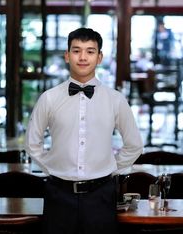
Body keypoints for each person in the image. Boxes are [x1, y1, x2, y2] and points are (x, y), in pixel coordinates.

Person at [25, 27, 143, 234]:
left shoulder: (115, 99)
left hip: (102, 195)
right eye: (76, 50)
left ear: (99, 57)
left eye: (90, 51)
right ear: (67, 55)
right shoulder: (49, 98)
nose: (82, 57)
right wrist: (52, 167)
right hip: (58, 195)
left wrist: (109, 168)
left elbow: (134, 145)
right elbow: (32, 143)